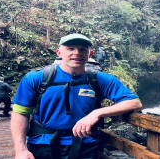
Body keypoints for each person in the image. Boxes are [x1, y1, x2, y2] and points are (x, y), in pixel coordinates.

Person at [11, 33, 142, 159]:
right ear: (59, 52)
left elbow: (134, 102)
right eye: (70, 49)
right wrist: (20, 149)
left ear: (90, 54)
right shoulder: (37, 78)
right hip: (42, 144)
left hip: (85, 145)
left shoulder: (100, 79)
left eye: (82, 49)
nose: (77, 53)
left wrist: (97, 113)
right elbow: (20, 113)